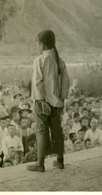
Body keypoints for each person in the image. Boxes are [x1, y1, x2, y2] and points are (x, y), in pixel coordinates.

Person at [27, 30, 70, 172]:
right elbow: (65, 82)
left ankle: (40, 163)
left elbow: (37, 83)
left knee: (41, 131)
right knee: (57, 130)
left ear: (41, 44)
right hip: (57, 102)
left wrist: (42, 101)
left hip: (42, 102)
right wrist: (62, 100)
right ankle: (60, 160)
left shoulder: (39, 60)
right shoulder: (59, 60)